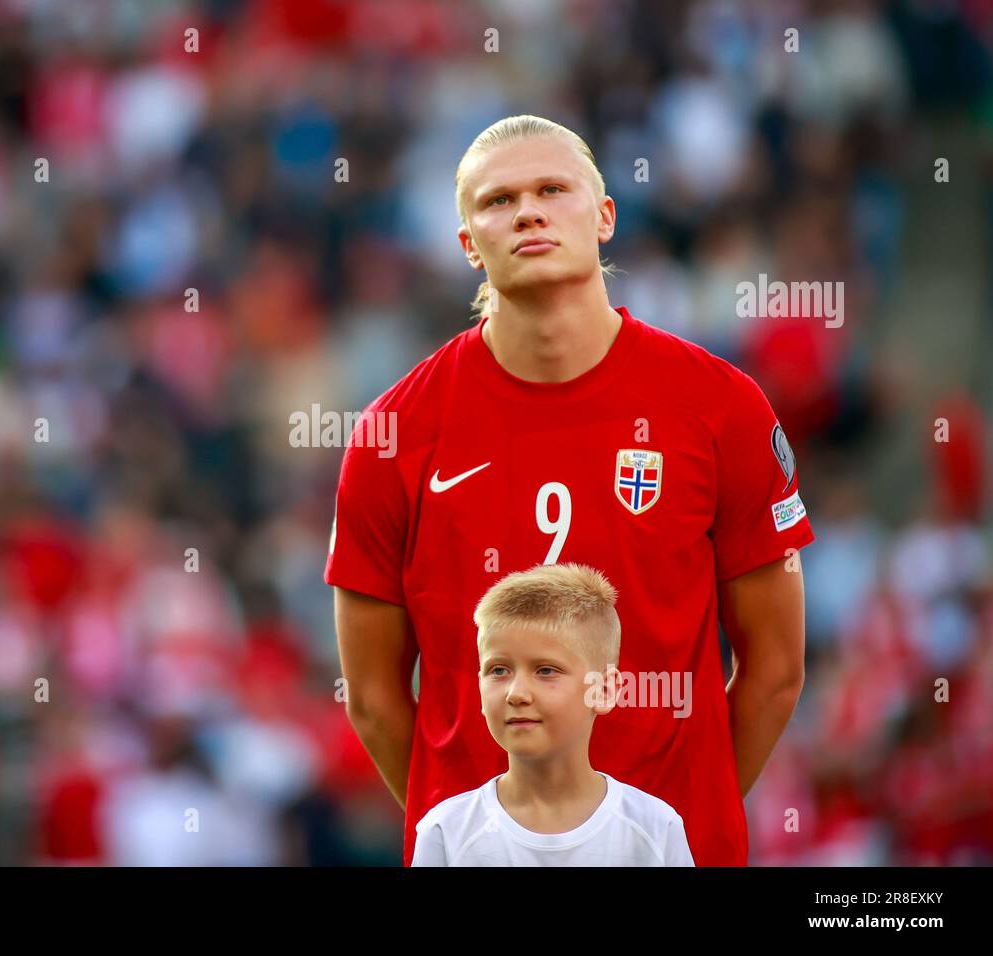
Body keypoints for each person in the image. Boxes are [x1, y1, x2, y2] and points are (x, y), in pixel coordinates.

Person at [325, 114, 815, 866]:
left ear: (605, 215)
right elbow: (372, 698)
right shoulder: (393, 433)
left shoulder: (722, 407)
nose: (528, 211)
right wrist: (478, 832)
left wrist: (677, 821)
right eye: (498, 201)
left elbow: (776, 670)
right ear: (468, 245)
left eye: (553, 189)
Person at [411, 563, 693, 866]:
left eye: (545, 670)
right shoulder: (446, 833)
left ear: (604, 690)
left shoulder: (655, 829)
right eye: (499, 670)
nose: (516, 693)